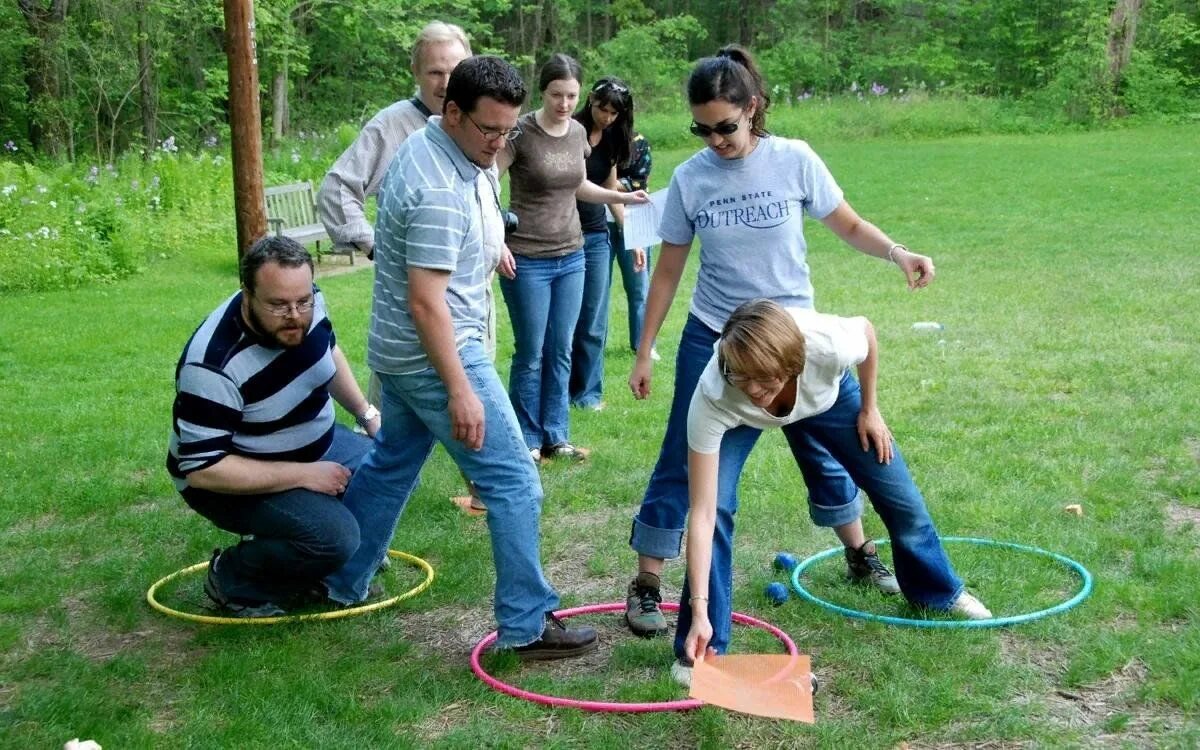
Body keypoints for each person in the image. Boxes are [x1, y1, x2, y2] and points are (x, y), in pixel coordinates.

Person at [623, 45, 937, 637]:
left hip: (794, 336)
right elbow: (667, 271)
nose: (715, 140)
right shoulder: (691, 178)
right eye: (702, 128)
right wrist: (645, 349)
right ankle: (648, 584)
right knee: (687, 466)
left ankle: (859, 552)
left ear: (754, 108)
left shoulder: (794, 159)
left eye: (726, 127)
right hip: (716, 338)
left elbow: (845, 222)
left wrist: (898, 253)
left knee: (824, 444)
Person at [321, 56, 597, 660]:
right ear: (451, 111)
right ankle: (526, 626)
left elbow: (466, 218)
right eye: (489, 131)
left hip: (399, 352)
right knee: (513, 481)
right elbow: (427, 303)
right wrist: (460, 388)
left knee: (392, 462)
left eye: (508, 132)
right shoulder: (437, 187)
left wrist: (491, 243)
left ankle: (340, 581)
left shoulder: (445, 150)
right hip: (434, 353)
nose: (499, 143)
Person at [673, 299, 991, 686]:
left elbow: (868, 332)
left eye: (764, 380)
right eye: (743, 377)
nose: (754, 389)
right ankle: (700, 649)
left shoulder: (826, 345)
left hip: (831, 396)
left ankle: (939, 593)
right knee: (718, 509)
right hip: (736, 421)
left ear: (793, 365)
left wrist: (870, 409)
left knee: (899, 493)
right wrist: (699, 608)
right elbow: (703, 515)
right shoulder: (716, 393)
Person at [318, 21, 496, 513]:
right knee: (408, 418)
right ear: (416, 73)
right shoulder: (395, 126)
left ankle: (480, 486)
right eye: (434, 71)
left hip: (473, 301)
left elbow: (481, 197)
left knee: (471, 399)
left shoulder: (482, 120)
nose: (445, 81)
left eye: (455, 69)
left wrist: (494, 241)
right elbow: (337, 190)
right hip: (412, 305)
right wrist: (375, 245)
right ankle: (371, 489)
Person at [167, 235, 381, 617]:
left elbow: (327, 352)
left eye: (303, 301)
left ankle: (329, 563)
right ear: (247, 295)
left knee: (391, 468)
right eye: (279, 305)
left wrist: (366, 414)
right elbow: (202, 471)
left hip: (315, 445)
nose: (296, 316)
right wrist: (304, 476)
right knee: (334, 538)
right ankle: (234, 578)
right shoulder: (213, 365)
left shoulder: (307, 304)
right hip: (230, 478)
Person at [497, 54, 648, 462]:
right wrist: (497, 239)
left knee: (562, 347)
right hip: (527, 257)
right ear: (542, 91)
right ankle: (527, 439)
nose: (564, 104)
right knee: (532, 351)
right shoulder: (520, 132)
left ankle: (556, 435)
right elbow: (487, 182)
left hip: (572, 254)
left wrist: (621, 198)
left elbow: (580, 185)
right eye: (556, 95)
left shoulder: (578, 132)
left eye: (571, 96)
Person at [568, 77, 637, 411]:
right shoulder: (570, 129)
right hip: (564, 233)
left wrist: (631, 236)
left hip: (596, 234)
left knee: (594, 319)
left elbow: (610, 188)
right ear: (590, 101)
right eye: (602, 108)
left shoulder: (611, 137)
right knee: (567, 319)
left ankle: (588, 393)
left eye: (614, 112)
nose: (606, 116)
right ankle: (560, 389)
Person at [609, 130, 657, 362]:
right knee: (596, 292)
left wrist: (605, 183)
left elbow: (638, 181)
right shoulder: (591, 140)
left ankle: (643, 344)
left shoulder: (639, 142)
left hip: (636, 217)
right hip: (598, 220)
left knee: (639, 286)